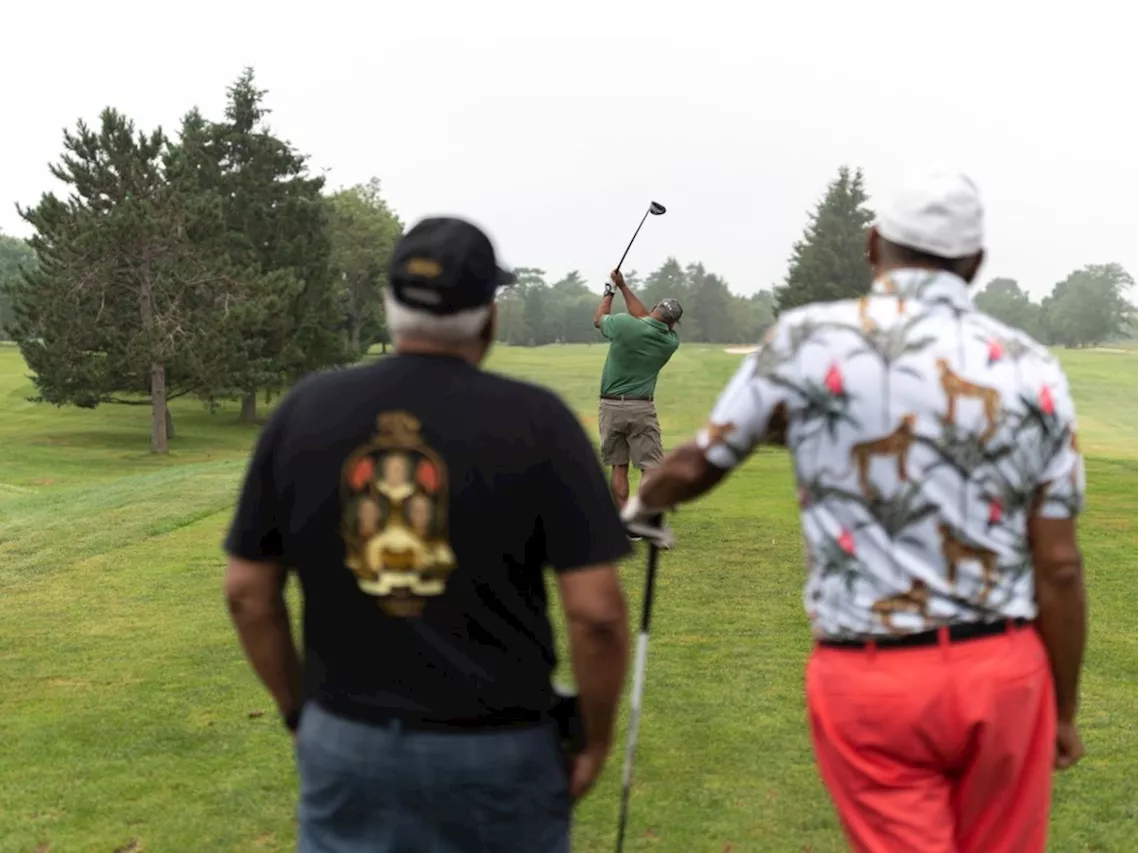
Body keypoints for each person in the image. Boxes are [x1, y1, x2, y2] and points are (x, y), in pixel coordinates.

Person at [621, 172, 1088, 853]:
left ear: (874, 245)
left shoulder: (810, 339)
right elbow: (1062, 565)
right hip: (1004, 674)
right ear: (976, 263)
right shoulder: (1032, 366)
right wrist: (1064, 708)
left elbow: (698, 462)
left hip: (873, 680)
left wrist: (643, 502)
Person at [223, 216, 633, 853]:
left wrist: (298, 711)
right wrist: (597, 737)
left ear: (389, 307)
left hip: (346, 737)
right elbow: (598, 615)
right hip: (500, 747)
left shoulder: (305, 411)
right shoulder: (537, 421)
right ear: (488, 317)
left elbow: (248, 593)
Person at [592, 268, 682, 517]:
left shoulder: (622, 324)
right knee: (650, 468)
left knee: (618, 467)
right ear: (672, 324)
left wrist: (610, 292)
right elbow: (645, 318)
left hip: (610, 407)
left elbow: (599, 318)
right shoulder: (670, 341)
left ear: (654, 310)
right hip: (641, 408)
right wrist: (623, 286)